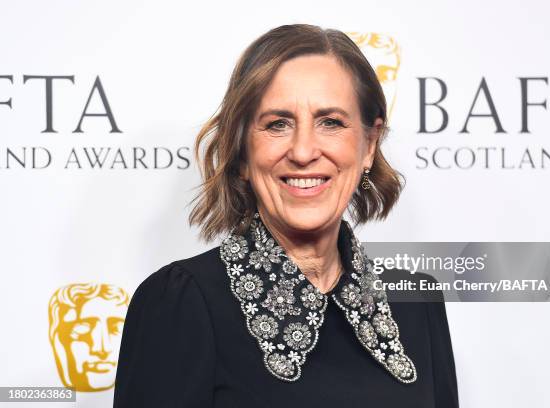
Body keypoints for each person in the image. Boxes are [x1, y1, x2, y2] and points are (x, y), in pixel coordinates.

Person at [113, 23, 459, 407]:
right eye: (278, 124)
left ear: (369, 145)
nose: (303, 150)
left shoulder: (416, 302)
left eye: (331, 122)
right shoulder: (180, 302)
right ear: (242, 151)